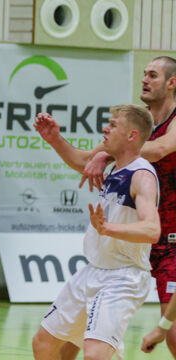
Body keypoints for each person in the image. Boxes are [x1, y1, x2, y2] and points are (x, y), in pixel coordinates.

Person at [31, 104, 161, 360]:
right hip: (93, 270)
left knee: (94, 355)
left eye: (113, 125)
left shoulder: (141, 175)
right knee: (44, 343)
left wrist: (107, 228)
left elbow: (152, 229)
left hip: (123, 277)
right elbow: (82, 161)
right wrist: (55, 139)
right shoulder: (115, 165)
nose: (105, 128)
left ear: (132, 135)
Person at [80, 56, 176, 357]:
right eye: (144, 74)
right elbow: (84, 161)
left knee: (172, 330)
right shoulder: (137, 121)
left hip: (170, 236)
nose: (145, 79)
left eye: (153, 75)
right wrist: (55, 139)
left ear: (172, 83)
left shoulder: (167, 124)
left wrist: (107, 154)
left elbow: (160, 149)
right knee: (71, 332)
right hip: (136, 235)